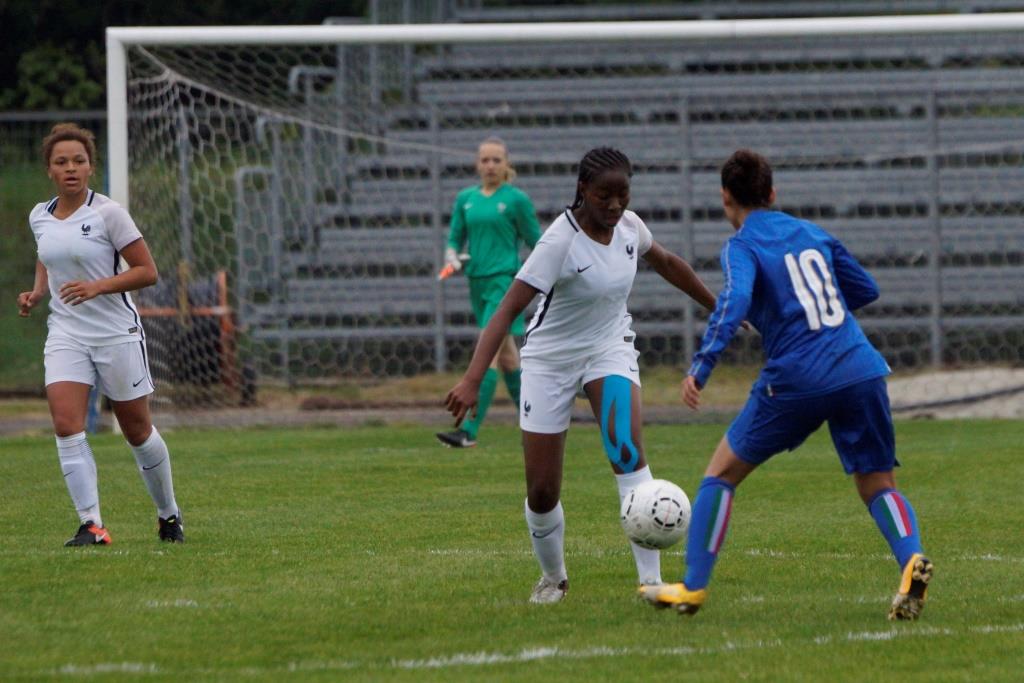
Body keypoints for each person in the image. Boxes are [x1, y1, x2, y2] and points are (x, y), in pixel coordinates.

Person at [640, 149, 932, 620]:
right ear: (773, 193)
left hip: (799, 375)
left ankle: (692, 588)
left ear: (725, 198)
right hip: (860, 367)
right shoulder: (813, 233)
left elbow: (734, 300)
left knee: (721, 474)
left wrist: (701, 367)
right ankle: (912, 558)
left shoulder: (741, 245)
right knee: (878, 482)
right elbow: (866, 288)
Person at [446, 147, 717, 603]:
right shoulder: (560, 240)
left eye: (622, 194)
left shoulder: (630, 228)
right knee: (542, 490)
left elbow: (668, 263)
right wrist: (473, 378)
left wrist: (718, 305)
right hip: (549, 361)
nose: (614, 205)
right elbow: (508, 309)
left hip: (609, 350)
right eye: (604, 196)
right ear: (583, 190)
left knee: (627, 454)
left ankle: (652, 584)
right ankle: (554, 578)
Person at [17, 123, 184, 546]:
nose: (71, 168)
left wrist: (98, 287)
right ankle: (91, 525)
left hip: (116, 333)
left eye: (79, 160)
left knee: (136, 430)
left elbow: (147, 272)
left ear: (91, 167)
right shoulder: (40, 215)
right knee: (65, 423)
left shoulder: (109, 213)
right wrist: (38, 291)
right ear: (50, 170)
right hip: (66, 333)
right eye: (61, 162)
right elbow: (47, 255)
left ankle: (168, 514)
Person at [436, 137, 541, 449]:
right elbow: (455, 237)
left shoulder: (516, 200)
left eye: (497, 160)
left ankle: (468, 430)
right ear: (476, 164)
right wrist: (452, 256)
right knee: (508, 358)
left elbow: (537, 242)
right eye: (485, 160)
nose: (491, 166)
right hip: (477, 282)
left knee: (488, 349)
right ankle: (537, 421)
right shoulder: (465, 199)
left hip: (504, 283)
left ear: (507, 164)